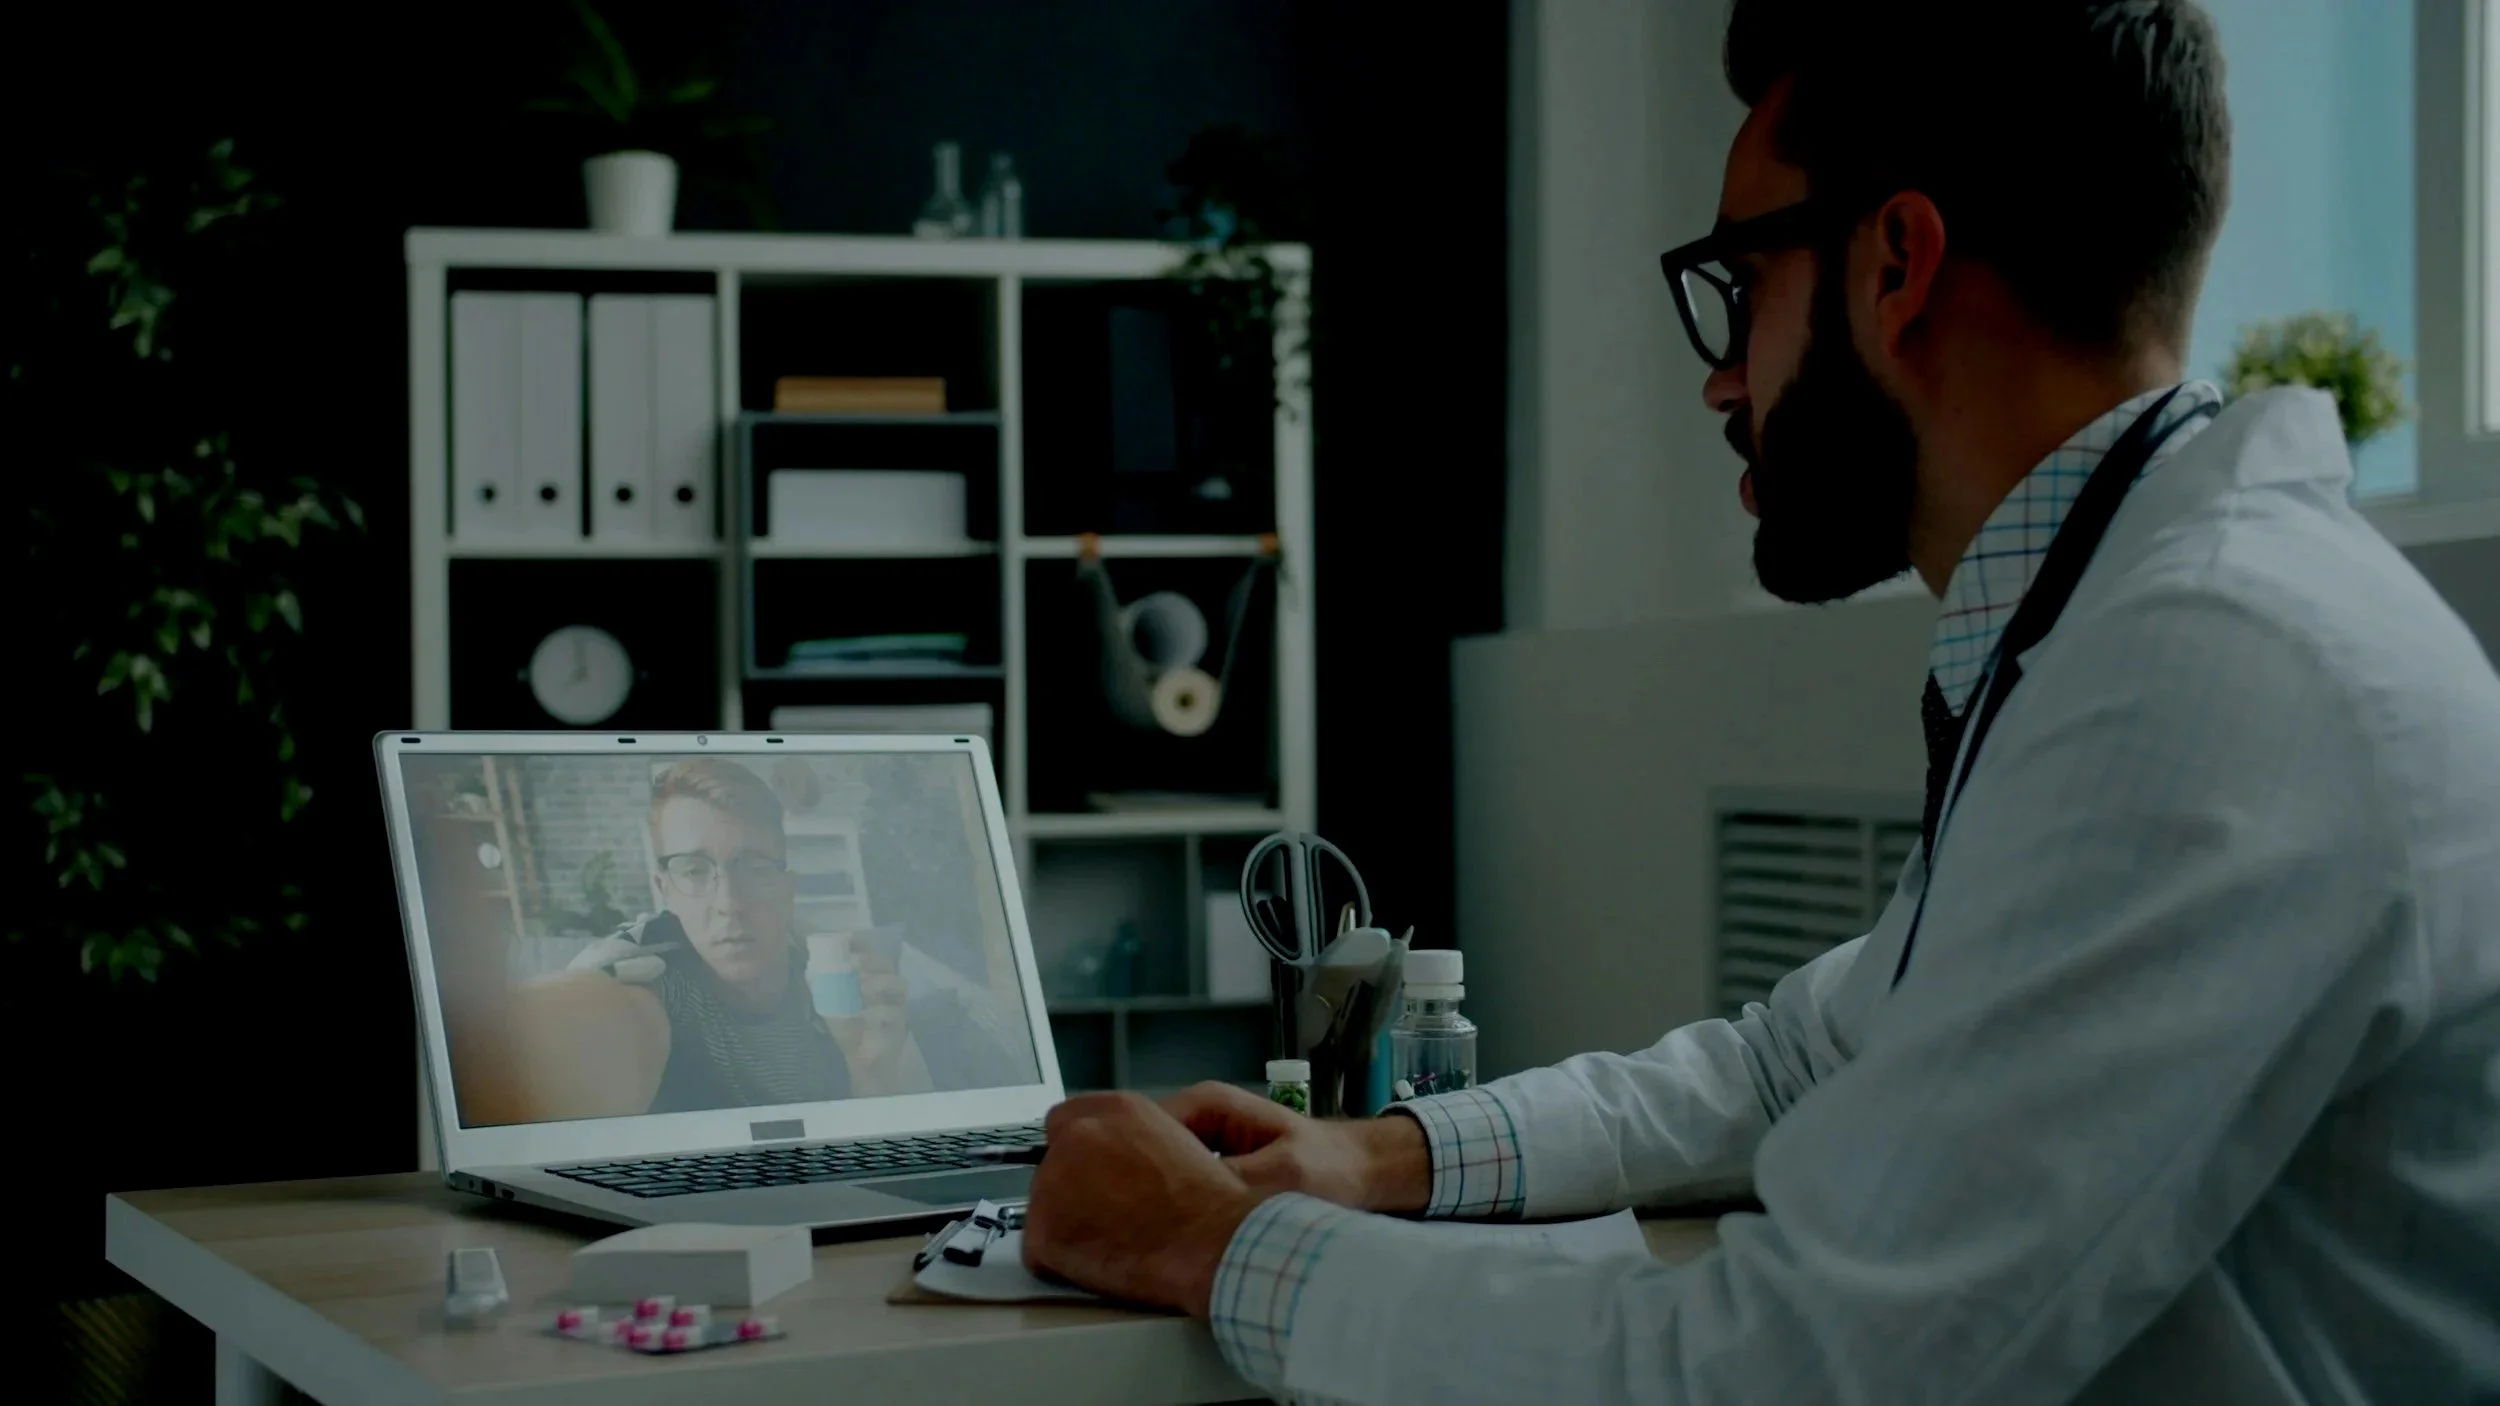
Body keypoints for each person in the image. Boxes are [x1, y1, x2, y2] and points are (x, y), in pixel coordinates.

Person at [1018, 3, 2500, 1402]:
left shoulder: (2214, 673)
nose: (1722, 380)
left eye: (1743, 283)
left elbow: (1789, 1370)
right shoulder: (2123, 620)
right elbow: (1804, 1056)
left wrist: (1201, 1244)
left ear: (1897, 263)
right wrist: (1382, 1152)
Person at [508, 758, 933, 1117]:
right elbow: (566, 1025)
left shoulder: (838, 980)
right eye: (694, 870)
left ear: (788, 890)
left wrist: (871, 1072)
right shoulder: (654, 975)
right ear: (665, 889)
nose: (729, 902)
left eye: (753, 867)